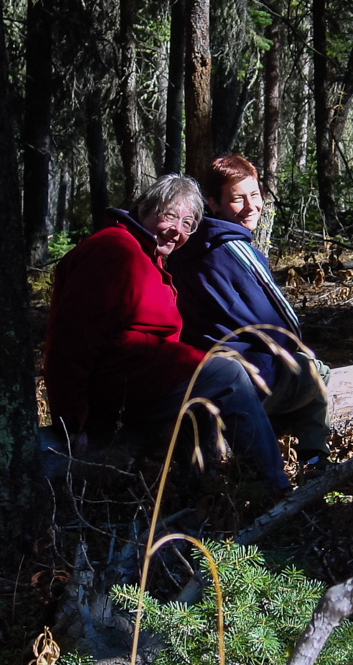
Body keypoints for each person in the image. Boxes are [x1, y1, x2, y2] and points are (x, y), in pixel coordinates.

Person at [43, 174, 290, 492]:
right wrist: (72, 422)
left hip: (138, 383)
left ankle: (204, 489)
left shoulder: (146, 255)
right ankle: (273, 487)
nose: (178, 230)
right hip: (115, 389)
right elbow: (71, 340)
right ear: (145, 208)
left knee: (206, 381)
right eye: (171, 216)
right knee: (226, 373)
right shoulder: (113, 250)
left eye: (188, 223)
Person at [169, 155, 332, 473]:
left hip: (202, 377)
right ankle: (314, 462)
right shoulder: (236, 248)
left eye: (254, 195)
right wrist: (291, 349)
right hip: (247, 379)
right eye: (237, 199)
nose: (250, 206)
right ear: (213, 204)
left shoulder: (184, 250)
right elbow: (284, 323)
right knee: (316, 371)